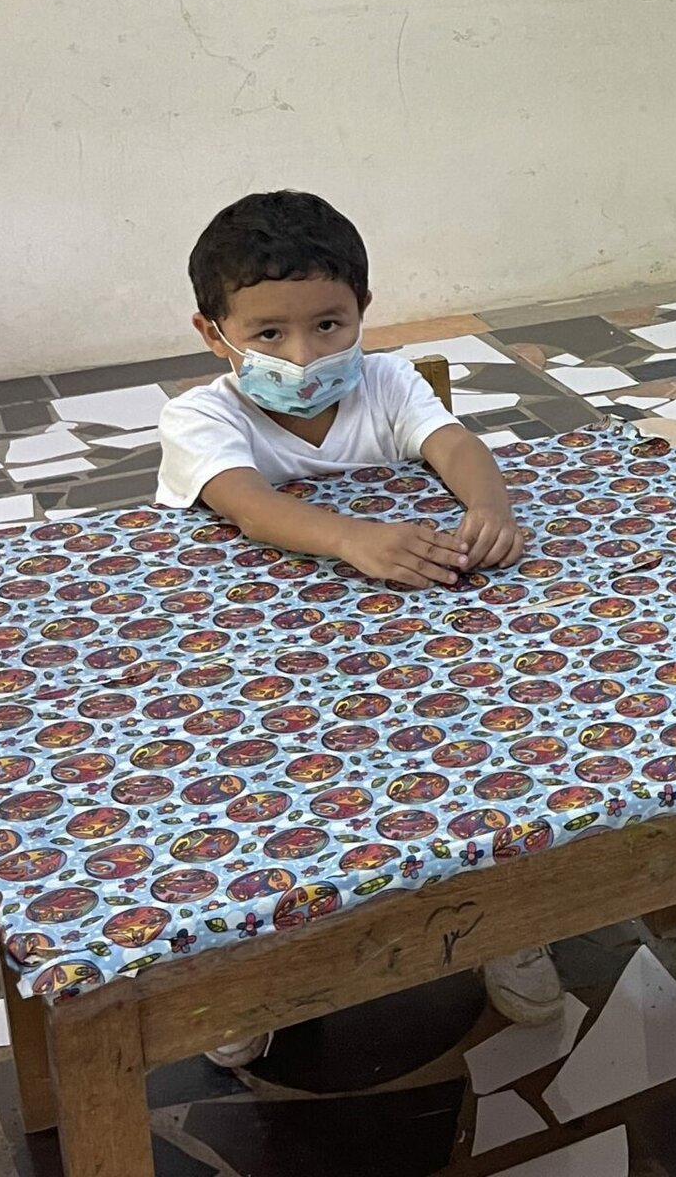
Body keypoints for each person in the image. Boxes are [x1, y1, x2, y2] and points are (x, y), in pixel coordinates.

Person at [155, 190, 565, 1056]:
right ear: (212, 333)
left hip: (412, 655)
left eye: (330, 326)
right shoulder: (200, 417)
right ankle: (249, 974)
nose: (304, 356)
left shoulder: (384, 381)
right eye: (268, 335)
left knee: (482, 765)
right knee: (266, 808)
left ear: (363, 313)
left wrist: (489, 507)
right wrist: (354, 540)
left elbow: (452, 446)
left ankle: (508, 925)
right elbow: (251, 507)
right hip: (266, 663)